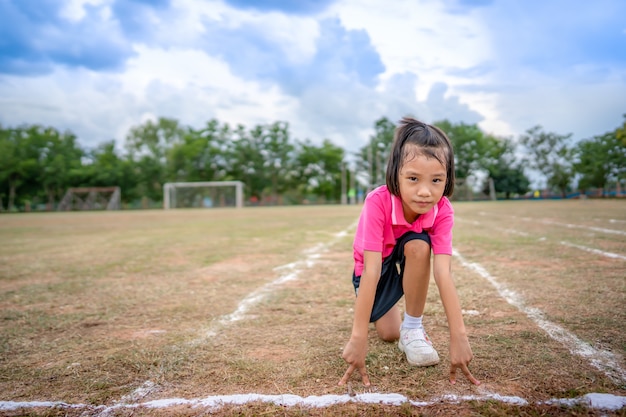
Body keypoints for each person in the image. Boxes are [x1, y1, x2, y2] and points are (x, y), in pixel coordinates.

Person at [338, 117, 480, 387]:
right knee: (388, 333)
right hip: (375, 265)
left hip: (409, 252)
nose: (425, 191)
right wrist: (358, 338)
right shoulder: (378, 202)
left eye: (436, 180)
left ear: (447, 178)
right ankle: (394, 325)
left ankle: (413, 328)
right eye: (413, 178)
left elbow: (442, 273)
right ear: (396, 174)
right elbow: (371, 270)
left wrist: (459, 336)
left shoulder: (443, 210)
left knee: (418, 245)